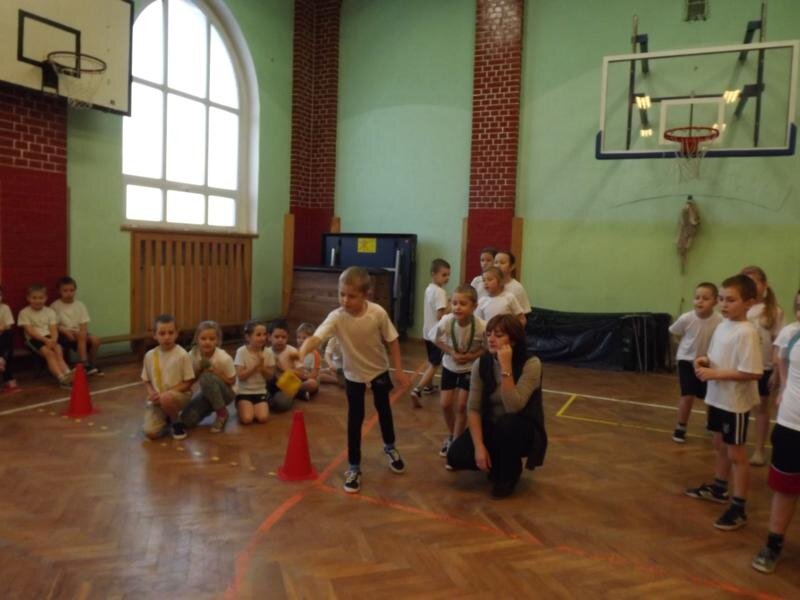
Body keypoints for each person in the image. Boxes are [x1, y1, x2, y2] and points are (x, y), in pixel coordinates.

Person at [296, 266, 410, 494]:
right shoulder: (336, 317)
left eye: (351, 296)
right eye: (342, 294)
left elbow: (393, 340)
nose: (345, 300)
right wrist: (303, 350)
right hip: (353, 375)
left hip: (378, 370)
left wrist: (398, 370)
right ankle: (354, 467)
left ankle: (390, 447)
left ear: (366, 295)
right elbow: (317, 338)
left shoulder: (377, 313)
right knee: (354, 419)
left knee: (384, 410)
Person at [685, 274, 763, 530]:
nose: (723, 304)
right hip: (717, 398)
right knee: (719, 444)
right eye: (721, 299)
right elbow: (718, 357)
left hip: (734, 403)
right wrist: (704, 360)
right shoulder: (722, 326)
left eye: (731, 300)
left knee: (736, 453)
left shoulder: (747, 332)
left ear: (749, 303)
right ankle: (719, 488)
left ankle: (739, 507)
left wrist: (715, 374)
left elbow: (752, 372)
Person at [446, 314, 547, 499]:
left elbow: (513, 406)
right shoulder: (481, 363)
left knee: (507, 424)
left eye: (499, 335)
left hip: (521, 428)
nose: (491, 339)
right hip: (492, 425)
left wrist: (505, 367)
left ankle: (510, 473)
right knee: (456, 456)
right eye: (489, 334)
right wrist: (479, 447)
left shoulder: (531, 364)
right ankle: (497, 462)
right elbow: (473, 408)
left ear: (513, 340)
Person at [751, 291, 800, 573]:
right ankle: (773, 543)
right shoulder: (792, 333)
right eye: (799, 307)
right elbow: (782, 359)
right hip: (791, 424)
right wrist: (782, 387)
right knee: (785, 489)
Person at [429, 284, 486, 459]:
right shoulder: (447, 321)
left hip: (470, 368)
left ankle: (455, 444)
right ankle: (453, 434)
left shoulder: (481, 326)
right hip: (450, 366)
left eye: (463, 303)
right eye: (454, 303)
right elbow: (434, 338)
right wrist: (451, 352)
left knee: (462, 406)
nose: (457, 307)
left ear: (474, 306)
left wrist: (472, 356)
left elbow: (487, 348)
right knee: (445, 404)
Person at [669, 282, 722, 442]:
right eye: (697, 297)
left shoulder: (719, 320)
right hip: (686, 361)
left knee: (710, 396)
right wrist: (683, 348)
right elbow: (674, 332)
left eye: (705, 298)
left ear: (715, 301)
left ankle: (711, 424)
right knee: (687, 395)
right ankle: (681, 426)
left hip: (708, 362)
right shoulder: (686, 318)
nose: (700, 301)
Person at [741, 266, 784, 466]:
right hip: (741, 367)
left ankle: (759, 450)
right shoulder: (740, 307)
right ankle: (737, 444)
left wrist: (776, 371)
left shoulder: (774, 311)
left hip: (762, 368)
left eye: (753, 282)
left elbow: (778, 343)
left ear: (764, 284)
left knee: (761, 409)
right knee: (740, 407)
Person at [141, 314, 194, 440]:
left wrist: (165, 394)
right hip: (159, 399)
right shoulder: (149, 355)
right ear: (155, 335)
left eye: (171, 333)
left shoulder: (182, 354)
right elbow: (146, 380)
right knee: (150, 433)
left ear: (176, 334)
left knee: (166, 398)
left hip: (179, 396)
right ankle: (167, 419)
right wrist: (152, 393)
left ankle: (176, 422)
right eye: (162, 333)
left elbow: (188, 382)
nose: (167, 337)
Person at [179, 320, 236, 434]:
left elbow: (232, 381)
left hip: (226, 393)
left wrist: (215, 372)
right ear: (197, 339)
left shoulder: (224, 358)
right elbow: (190, 380)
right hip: (206, 392)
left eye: (212, 339)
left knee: (206, 377)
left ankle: (222, 413)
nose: (207, 342)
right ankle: (211, 407)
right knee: (186, 421)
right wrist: (199, 371)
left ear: (218, 340)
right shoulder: (192, 355)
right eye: (203, 338)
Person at [411, 258, 450, 406]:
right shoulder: (440, 292)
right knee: (435, 363)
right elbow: (441, 315)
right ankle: (417, 389)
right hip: (437, 335)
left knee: (431, 359)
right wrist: (452, 306)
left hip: (427, 332)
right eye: (444, 275)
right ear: (434, 274)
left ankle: (429, 386)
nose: (447, 278)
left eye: (448, 275)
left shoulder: (429, 288)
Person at [17, 284, 72, 388]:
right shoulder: (24, 313)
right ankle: (61, 378)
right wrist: (45, 340)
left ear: (46, 298)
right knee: (49, 354)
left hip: (49, 337)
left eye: (41, 298)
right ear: (28, 298)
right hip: (34, 339)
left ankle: (67, 373)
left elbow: (53, 328)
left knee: (58, 350)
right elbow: (30, 331)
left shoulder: (50, 311)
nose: (38, 301)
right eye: (34, 298)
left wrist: (54, 340)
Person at [50, 276, 102, 375]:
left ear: (75, 290)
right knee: (81, 335)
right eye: (65, 291)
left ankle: (92, 365)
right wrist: (65, 331)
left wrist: (83, 333)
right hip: (63, 334)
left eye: (71, 290)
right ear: (59, 291)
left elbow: (83, 324)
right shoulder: (55, 306)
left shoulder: (80, 305)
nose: (69, 293)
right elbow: (53, 325)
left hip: (78, 333)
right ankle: (84, 363)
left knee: (96, 340)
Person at [233, 320, 274, 425]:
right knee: (247, 419)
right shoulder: (241, 351)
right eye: (258, 335)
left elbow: (269, 376)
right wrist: (256, 365)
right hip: (243, 391)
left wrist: (262, 367)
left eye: (264, 334)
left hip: (260, 391)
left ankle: (255, 405)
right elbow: (240, 376)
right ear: (248, 337)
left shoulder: (268, 352)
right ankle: (239, 403)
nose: (263, 338)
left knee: (263, 418)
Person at [265, 318, 309, 411]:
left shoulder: (292, 351)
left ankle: (295, 393)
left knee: (281, 404)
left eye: (283, 337)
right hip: (271, 385)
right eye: (277, 337)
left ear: (287, 337)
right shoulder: (266, 352)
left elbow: (302, 374)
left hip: (287, 385)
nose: (280, 340)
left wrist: (284, 369)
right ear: (269, 337)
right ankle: (298, 393)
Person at [494, 250, 532, 316]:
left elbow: (524, 314)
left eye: (502, 263)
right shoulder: (486, 284)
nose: (498, 266)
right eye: (496, 262)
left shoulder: (517, 288)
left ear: (511, 267)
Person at [0, 285, 19, 392]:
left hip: (3, 337)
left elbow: (8, 325)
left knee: (8, 334)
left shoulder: (5, 308)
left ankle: (2, 359)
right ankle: (9, 378)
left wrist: (2, 328)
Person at [295, 322, 321, 397]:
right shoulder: (295, 351)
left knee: (312, 384)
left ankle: (295, 390)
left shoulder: (315, 354)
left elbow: (314, 375)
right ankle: (300, 392)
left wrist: (303, 377)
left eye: (304, 338)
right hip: (298, 378)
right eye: (298, 337)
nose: (300, 340)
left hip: (308, 379)